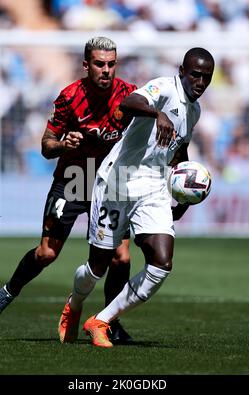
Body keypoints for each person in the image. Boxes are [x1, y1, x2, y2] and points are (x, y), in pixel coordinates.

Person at [0, 36, 137, 344]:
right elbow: (45, 146)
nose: (106, 70)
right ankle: (8, 291)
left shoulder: (129, 95)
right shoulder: (70, 97)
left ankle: (109, 322)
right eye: (99, 64)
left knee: (121, 258)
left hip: (110, 181)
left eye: (110, 64)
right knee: (47, 252)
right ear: (86, 65)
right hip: (74, 177)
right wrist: (63, 144)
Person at [61, 47, 215, 347]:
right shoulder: (164, 88)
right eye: (195, 74)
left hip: (154, 188)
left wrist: (182, 196)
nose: (200, 81)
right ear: (182, 70)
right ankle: (75, 304)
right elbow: (129, 101)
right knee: (97, 267)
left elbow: (178, 151)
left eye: (206, 77)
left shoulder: (194, 111)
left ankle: (101, 321)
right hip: (117, 182)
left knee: (161, 263)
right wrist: (157, 113)